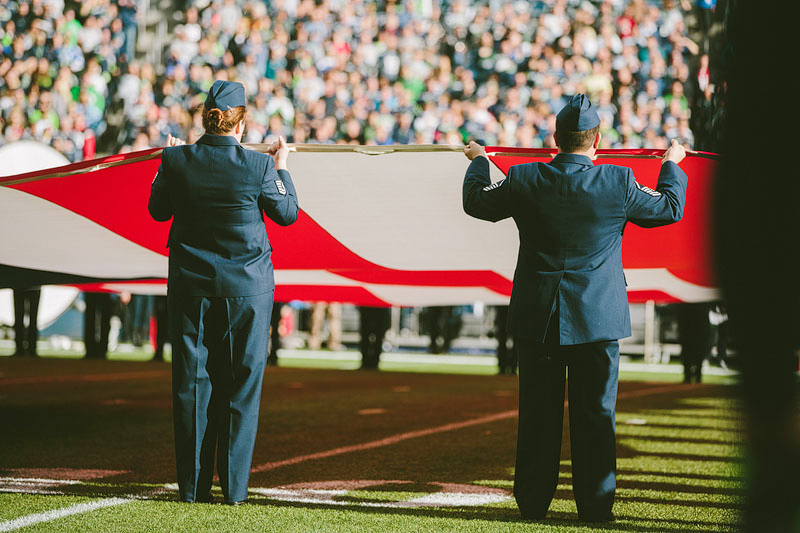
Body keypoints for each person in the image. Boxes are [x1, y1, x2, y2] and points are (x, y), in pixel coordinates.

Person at [462, 94, 688, 522]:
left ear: (555, 138)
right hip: (597, 320)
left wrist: (478, 159)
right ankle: (596, 507)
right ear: (597, 139)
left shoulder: (524, 177)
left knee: (537, 417)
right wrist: (671, 163)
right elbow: (670, 208)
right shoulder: (618, 181)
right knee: (596, 417)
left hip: (538, 318)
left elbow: (476, 202)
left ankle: (532, 504)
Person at [148, 80, 298, 505]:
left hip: (191, 287)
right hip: (247, 291)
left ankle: (193, 487)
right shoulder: (259, 166)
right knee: (241, 386)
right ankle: (233, 488)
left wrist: (167, 162)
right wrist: (282, 164)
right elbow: (287, 213)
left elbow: (158, 210)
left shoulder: (176, 159)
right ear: (242, 121)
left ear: (204, 118)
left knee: (192, 385)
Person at [677, 302, 715, 383]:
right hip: (694, 327)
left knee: (695, 352)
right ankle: (693, 376)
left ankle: (693, 376)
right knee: (692, 352)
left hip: (694, 327)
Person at [13, 287, 41, 357]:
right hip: (34, 286)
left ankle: (21, 349)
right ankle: (31, 349)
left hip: (20, 285)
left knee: (19, 317)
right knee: (32, 319)